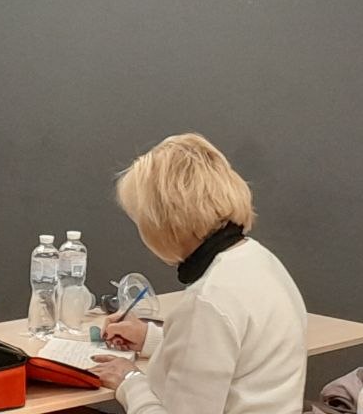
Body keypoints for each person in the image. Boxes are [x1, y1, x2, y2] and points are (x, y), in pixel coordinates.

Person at [91, 133, 307, 414]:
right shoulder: (259, 260)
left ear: (162, 221)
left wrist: (129, 381)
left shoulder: (208, 300)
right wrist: (151, 339)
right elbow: (224, 359)